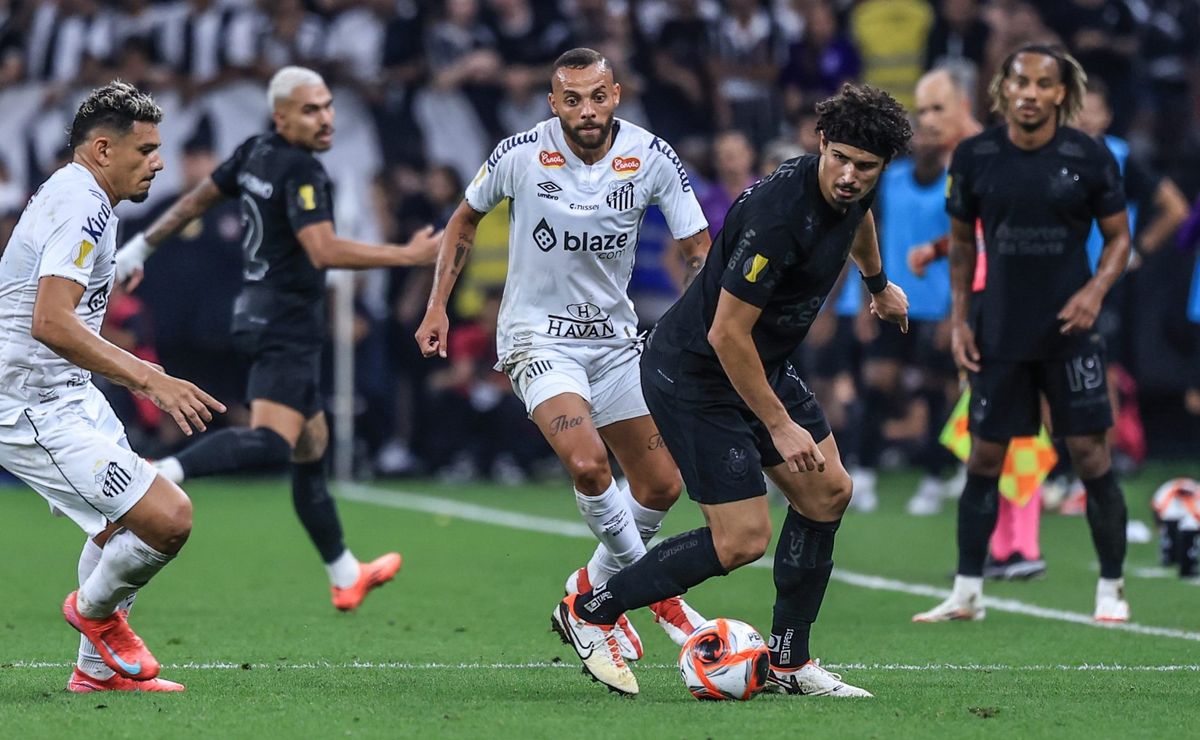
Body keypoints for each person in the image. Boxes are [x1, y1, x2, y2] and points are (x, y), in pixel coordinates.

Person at [550, 82, 912, 697]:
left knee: (827, 494)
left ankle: (791, 664)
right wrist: (778, 423)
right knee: (742, 538)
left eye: (866, 167)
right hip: (697, 373)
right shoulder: (780, 218)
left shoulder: (850, 191)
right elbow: (726, 334)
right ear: (821, 142)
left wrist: (877, 284)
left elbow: (859, 218)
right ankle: (590, 607)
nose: (850, 177)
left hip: (758, 364)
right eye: (841, 159)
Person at [415, 48, 712, 659]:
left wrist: (693, 328)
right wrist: (437, 306)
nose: (586, 110)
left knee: (660, 484)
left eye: (597, 97)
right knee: (588, 465)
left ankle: (590, 593)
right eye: (571, 99)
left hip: (613, 342)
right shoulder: (518, 153)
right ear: (553, 103)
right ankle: (664, 601)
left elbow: (699, 249)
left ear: (616, 95)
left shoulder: (652, 156)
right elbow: (463, 221)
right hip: (536, 338)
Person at [114, 66, 441, 611]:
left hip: (259, 315)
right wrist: (406, 255)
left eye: (329, 106)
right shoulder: (305, 172)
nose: (326, 118)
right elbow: (324, 251)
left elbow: (198, 200)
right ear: (282, 115)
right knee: (273, 442)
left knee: (311, 447)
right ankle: (154, 475)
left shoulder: (254, 152)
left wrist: (139, 248)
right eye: (311, 110)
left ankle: (344, 573)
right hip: (288, 324)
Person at [0, 81, 226, 692]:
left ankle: (96, 673)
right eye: (146, 149)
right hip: (27, 404)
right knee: (166, 519)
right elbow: (49, 322)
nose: (158, 161)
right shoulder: (83, 205)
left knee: (123, 527)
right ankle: (92, 612)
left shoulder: (78, 195)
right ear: (103, 149)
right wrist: (153, 380)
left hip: (65, 392)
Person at [912, 45, 1132, 624]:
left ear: (1062, 93)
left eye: (1043, 83)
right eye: (1020, 82)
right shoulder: (976, 156)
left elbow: (1118, 239)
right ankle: (966, 592)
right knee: (984, 458)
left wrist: (1094, 293)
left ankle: (1111, 589)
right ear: (1002, 90)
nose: (1031, 93)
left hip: (1069, 331)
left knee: (1090, 455)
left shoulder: (1089, 155)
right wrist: (960, 319)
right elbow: (962, 244)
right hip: (1000, 330)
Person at [855, 67, 979, 516]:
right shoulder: (890, 181)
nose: (926, 139)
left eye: (933, 131)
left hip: (939, 307)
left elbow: (967, 248)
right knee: (877, 385)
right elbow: (866, 238)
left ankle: (933, 479)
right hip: (892, 300)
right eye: (920, 132)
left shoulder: (957, 182)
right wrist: (864, 296)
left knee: (936, 394)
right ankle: (864, 474)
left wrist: (955, 315)